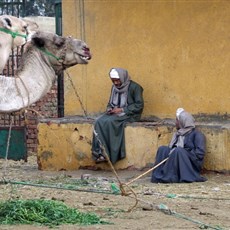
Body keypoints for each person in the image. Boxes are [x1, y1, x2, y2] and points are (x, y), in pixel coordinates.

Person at [92, 67, 144, 164]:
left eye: (117, 80)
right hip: (116, 113)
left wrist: (122, 109)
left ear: (123, 77)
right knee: (99, 121)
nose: (116, 83)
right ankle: (100, 152)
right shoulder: (114, 88)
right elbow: (110, 103)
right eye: (113, 81)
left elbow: (139, 105)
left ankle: (111, 154)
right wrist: (110, 109)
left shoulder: (135, 87)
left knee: (110, 122)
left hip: (131, 114)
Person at [151, 108, 207, 183]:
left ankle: (173, 176)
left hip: (191, 164)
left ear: (182, 122)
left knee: (178, 151)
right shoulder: (178, 134)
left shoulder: (197, 135)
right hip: (176, 156)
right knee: (163, 149)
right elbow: (172, 147)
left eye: (177, 120)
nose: (176, 123)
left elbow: (200, 154)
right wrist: (175, 151)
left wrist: (184, 153)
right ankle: (159, 175)